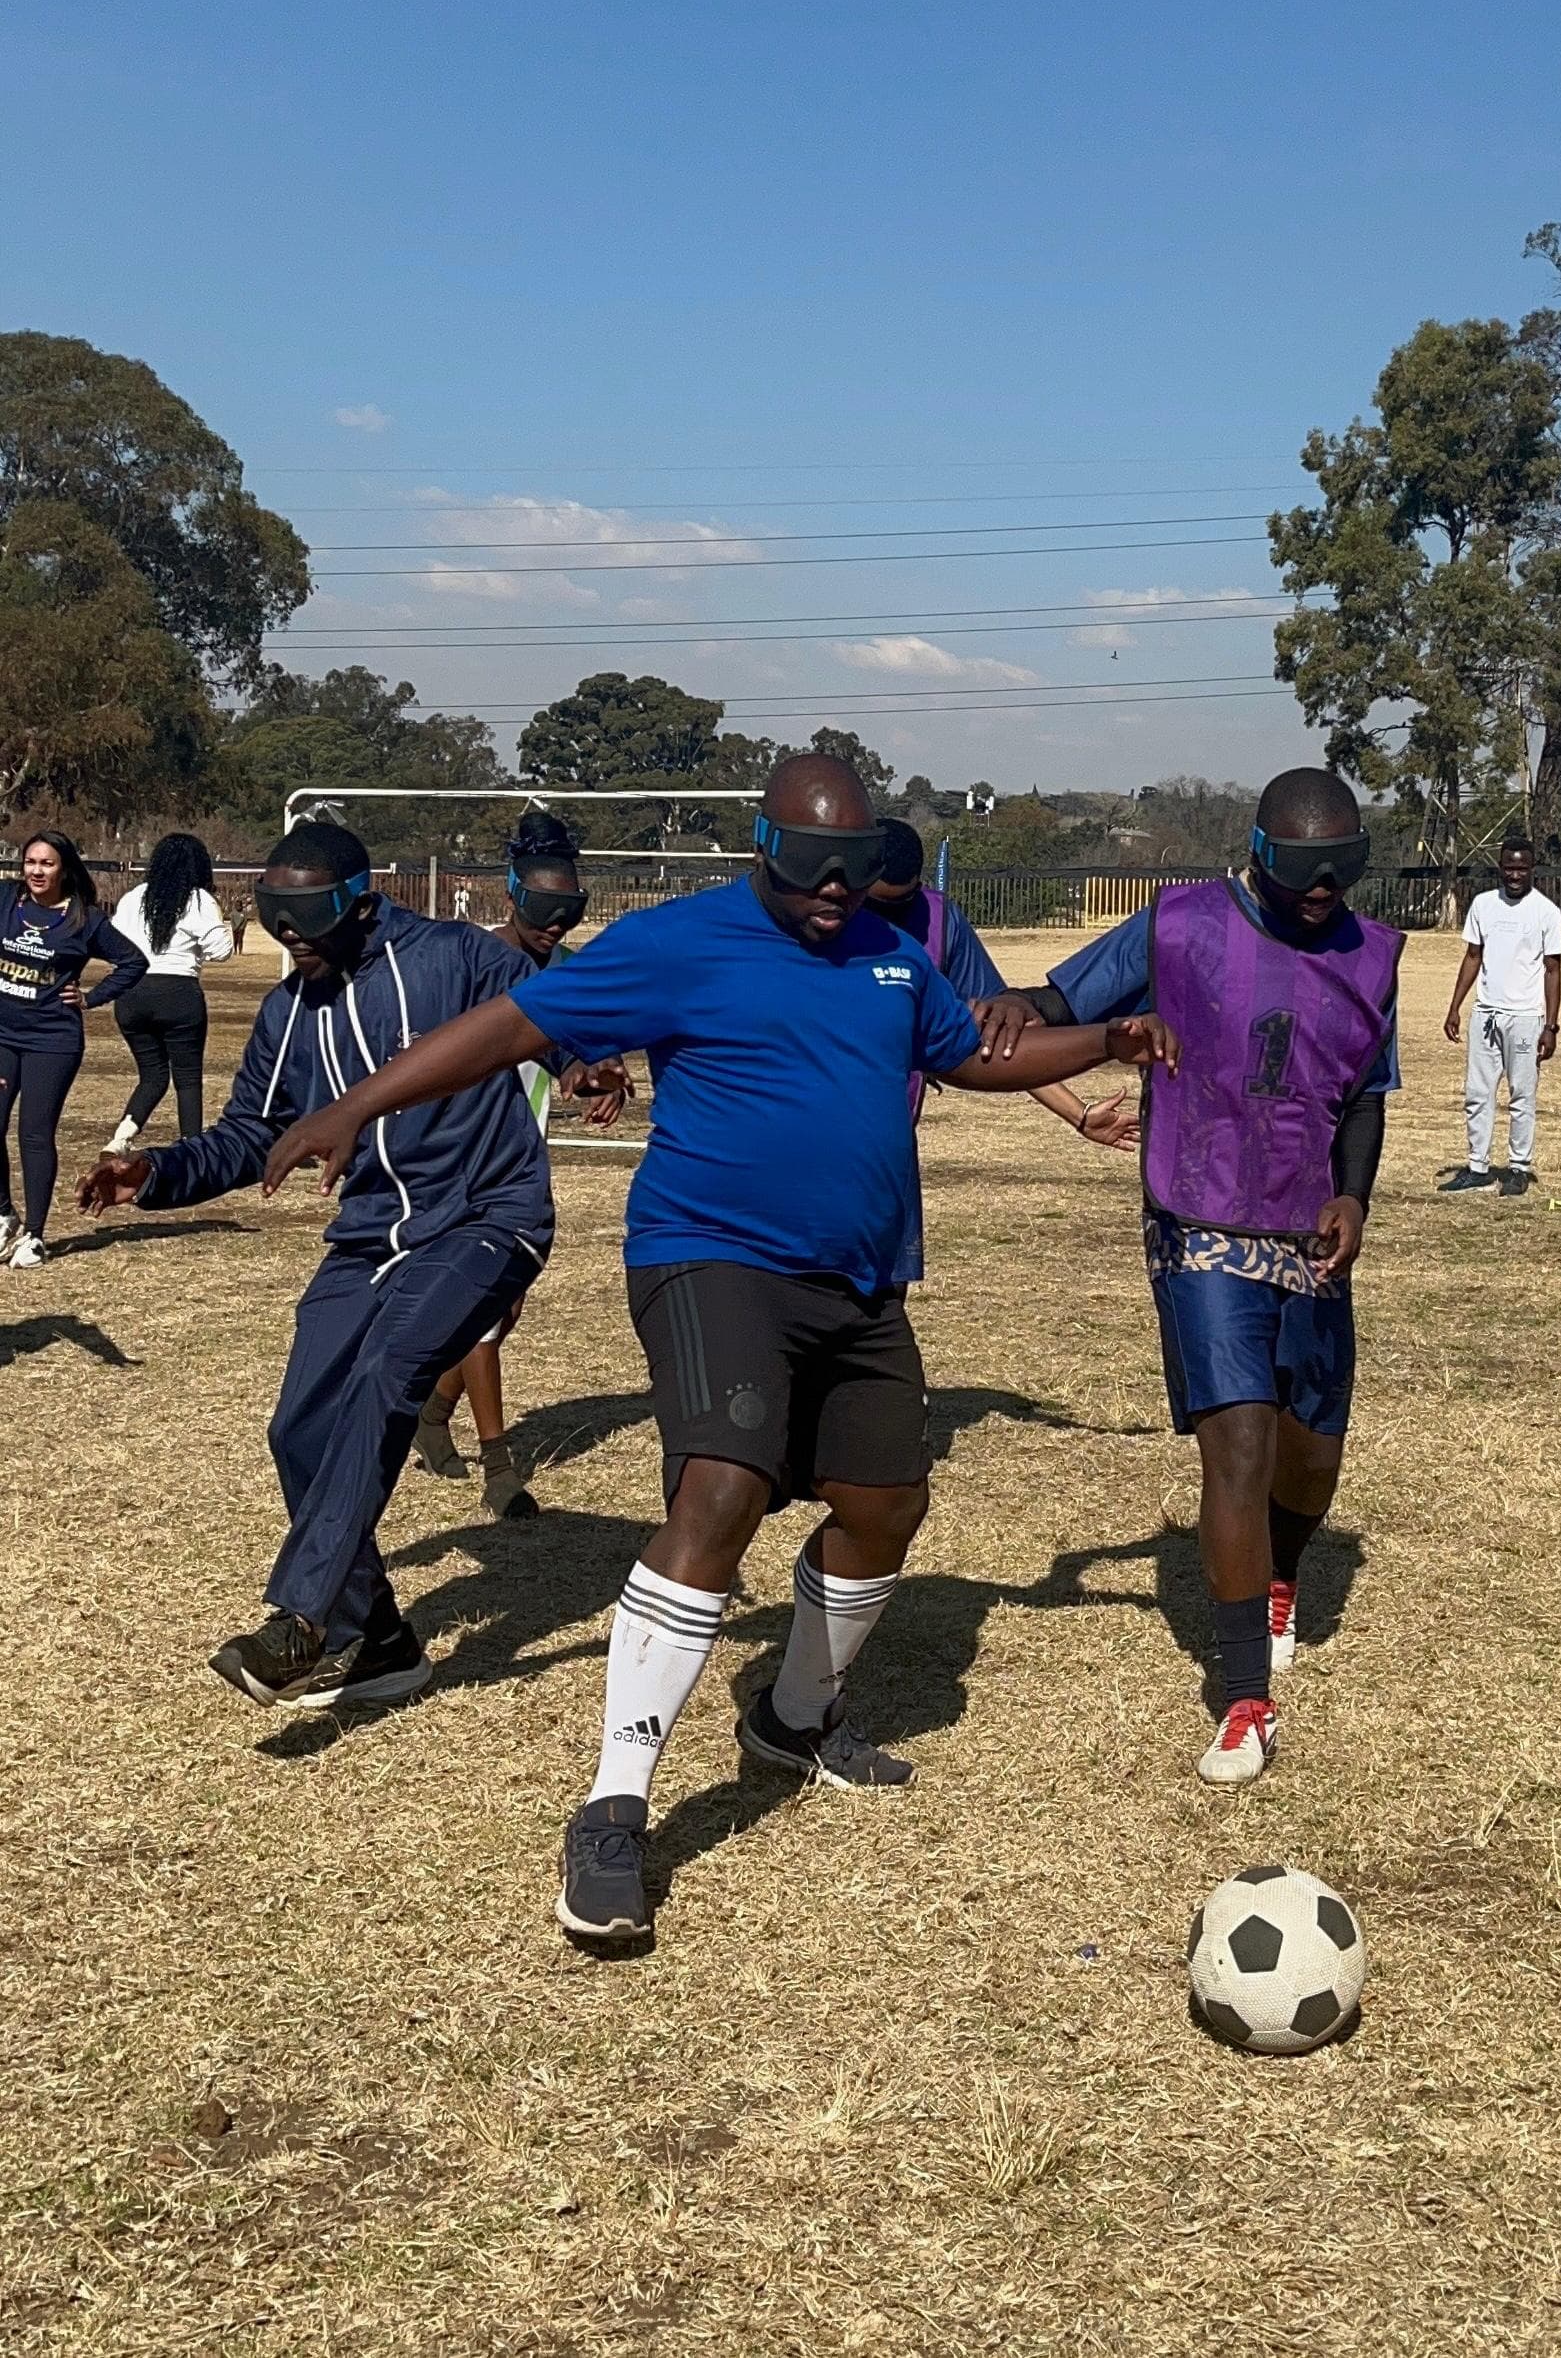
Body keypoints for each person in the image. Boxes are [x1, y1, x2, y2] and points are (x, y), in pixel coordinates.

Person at [259, 753, 1176, 1941]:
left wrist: (1113, 1035)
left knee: (885, 1501)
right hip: (708, 1257)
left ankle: (792, 1716)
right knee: (722, 1479)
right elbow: (505, 1026)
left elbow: (970, 1053)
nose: (837, 890)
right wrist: (354, 1105)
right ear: (762, 846)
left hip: (859, 1277)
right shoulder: (678, 941)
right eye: (813, 867)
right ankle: (610, 1810)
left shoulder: (889, 951)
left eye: (857, 870)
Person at [77, 819, 578, 1713]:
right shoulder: (286, 1013)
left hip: (486, 1217)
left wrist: (589, 1065)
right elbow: (248, 1136)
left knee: (389, 1373)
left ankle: (301, 1622)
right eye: (276, 915)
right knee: (298, 1432)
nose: (291, 933)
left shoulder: (453, 959)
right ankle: (381, 1641)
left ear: (359, 900)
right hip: (371, 1235)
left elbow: (556, 1016)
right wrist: (152, 1171)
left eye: (306, 914)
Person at [1021, 768, 1400, 1788]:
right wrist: (972, 1017)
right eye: (1299, 871)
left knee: (1307, 1451)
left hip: (1309, 1223)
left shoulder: (1374, 954)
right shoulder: (1174, 928)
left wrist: (1354, 1198)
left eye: (1341, 870)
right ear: (1256, 848)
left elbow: (1364, 1094)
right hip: (1198, 1219)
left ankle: (1283, 1573)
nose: (1322, 891)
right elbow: (1052, 1001)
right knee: (1235, 1441)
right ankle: (1244, 1698)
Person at [413, 809, 630, 1521]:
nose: (555, 925)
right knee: (481, 1310)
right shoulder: (469, 963)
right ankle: (500, 1466)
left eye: (570, 911)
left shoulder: (570, 969)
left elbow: (591, 1045)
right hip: (460, 1161)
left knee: (502, 1307)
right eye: (542, 909)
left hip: (522, 1164)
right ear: (510, 894)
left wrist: (606, 1075)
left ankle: (433, 1409)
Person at [870, 816, 1137, 1152]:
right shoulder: (810, 922)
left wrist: (1079, 1114)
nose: (888, 923)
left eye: (900, 907)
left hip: (890, 1144)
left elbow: (998, 1034)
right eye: (874, 907)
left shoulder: (939, 921)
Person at [0, 830, 147, 1266]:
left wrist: (91, 997)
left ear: (63, 868)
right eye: (30, 862)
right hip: (2, 1033)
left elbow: (133, 961)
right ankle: (4, 1214)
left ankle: (35, 1235)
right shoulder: (7, 901)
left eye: (46, 864)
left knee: (34, 1134)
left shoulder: (86, 920)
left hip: (52, 1040)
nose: (36, 871)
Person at [1440, 836, 1561, 1199]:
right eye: (1509, 867)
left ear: (1531, 869)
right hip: (1486, 1014)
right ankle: (1477, 1167)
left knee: (1521, 1096)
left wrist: (1551, 1026)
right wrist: (1455, 1006)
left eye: (1521, 868)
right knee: (1478, 1093)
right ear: (1500, 867)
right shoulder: (1483, 905)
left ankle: (1518, 1168)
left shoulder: (1546, 912)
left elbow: (1553, 969)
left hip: (1525, 1018)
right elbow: (1473, 956)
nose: (1514, 874)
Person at [108, 834, 234, 1149]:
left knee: (152, 1076)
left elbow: (113, 944)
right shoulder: (198, 899)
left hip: (131, 993)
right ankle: (191, 1147)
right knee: (188, 1079)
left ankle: (120, 1138)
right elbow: (221, 950)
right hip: (178, 993)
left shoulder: (133, 897)